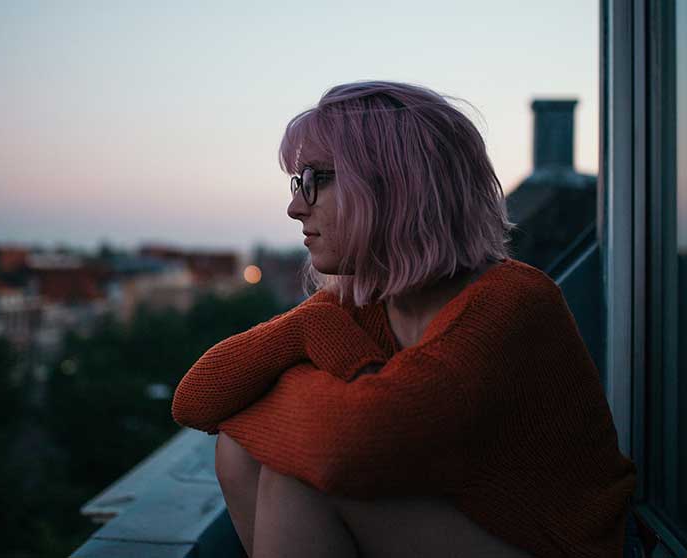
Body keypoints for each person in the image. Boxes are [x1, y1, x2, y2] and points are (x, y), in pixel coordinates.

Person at [172, 81, 637, 558]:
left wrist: (330, 401)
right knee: (239, 449)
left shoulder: (511, 302)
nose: (295, 207)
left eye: (317, 178)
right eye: (297, 182)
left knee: (302, 479)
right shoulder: (362, 303)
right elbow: (198, 398)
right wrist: (319, 336)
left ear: (394, 185)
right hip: (465, 528)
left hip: (560, 548)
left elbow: (351, 448)